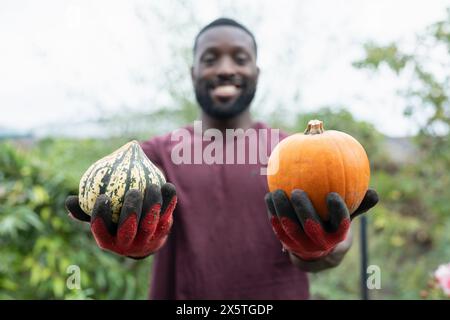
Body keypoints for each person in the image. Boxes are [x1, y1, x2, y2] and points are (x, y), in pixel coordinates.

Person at [65, 18, 378, 299]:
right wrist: (137, 245)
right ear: (193, 73)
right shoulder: (157, 154)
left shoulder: (297, 152)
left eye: (240, 59)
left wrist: (318, 249)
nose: (226, 68)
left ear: (256, 72)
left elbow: (338, 246)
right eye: (210, 59)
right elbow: (122, 206)